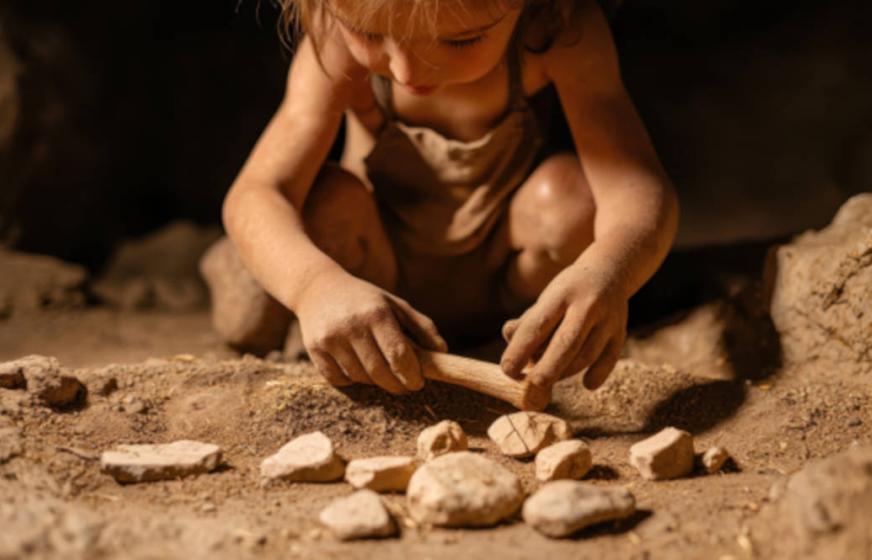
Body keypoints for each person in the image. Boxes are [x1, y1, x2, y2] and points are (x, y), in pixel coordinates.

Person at [208, 0, 679, 397]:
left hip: (510, 287)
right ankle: (239, 269)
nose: (406, 71)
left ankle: (499, 341)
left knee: (572, 198)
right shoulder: (333, 39)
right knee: (326, 203)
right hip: (375, 284)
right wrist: (313, 286)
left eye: (460, 40)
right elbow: (256, 191)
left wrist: (608, 272)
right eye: (368, 33)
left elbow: (637, 189)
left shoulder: (556, 31)